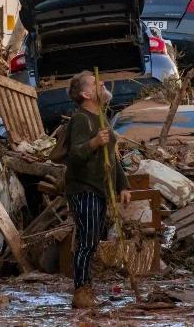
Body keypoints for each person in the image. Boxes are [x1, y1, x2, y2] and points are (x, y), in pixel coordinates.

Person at [64, 71, 130, 309]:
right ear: (86, 93)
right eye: (95, 82)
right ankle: (81, 291)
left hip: (100, 189)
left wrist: (123, 185)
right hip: (84, 189)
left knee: (91, 241)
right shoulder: (81, 119)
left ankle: (86, 288)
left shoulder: (101, 117)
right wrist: (94, 143)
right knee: (86, 241)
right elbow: (74, 155)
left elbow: (112, 156)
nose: (101, 82)